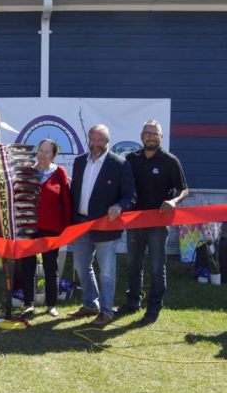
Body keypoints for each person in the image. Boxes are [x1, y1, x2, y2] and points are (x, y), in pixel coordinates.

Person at [116, 120, 188, 325]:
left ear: (161, 138)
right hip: (134, 221)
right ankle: (132, 302)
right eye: (147, 133)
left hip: (158, 223)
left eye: (155, 134)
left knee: (157, 266)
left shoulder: (170, 160)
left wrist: (174, 201)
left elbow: (184, 189)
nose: (151, 136)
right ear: (141, 136)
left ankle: (154, 306)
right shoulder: (131, 158)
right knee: (132, 264)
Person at [69, 124, 136, 327]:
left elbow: (130, 195)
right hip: (80, 224)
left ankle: (106, 311)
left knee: (106, 270)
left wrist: (119, 205)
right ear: (88, 140)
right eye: (93, 139)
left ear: (108, 142)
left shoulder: (119, 164)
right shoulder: (80, 161)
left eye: (100, 140)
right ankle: (90, 304)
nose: (96, 144)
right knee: (81, 266)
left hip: (106, 227)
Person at [19, 139, 72, 317]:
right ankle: (28, 304)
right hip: (29, 227)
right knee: (28, 266)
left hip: (52, 228)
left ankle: (51, 304)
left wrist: (67, 228)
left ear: (53, 155)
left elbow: (66, 201)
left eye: (46, 151)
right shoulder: (27, 171)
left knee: (51, 267)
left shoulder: (60, 172)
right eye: (40, 150)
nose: (42, 154)